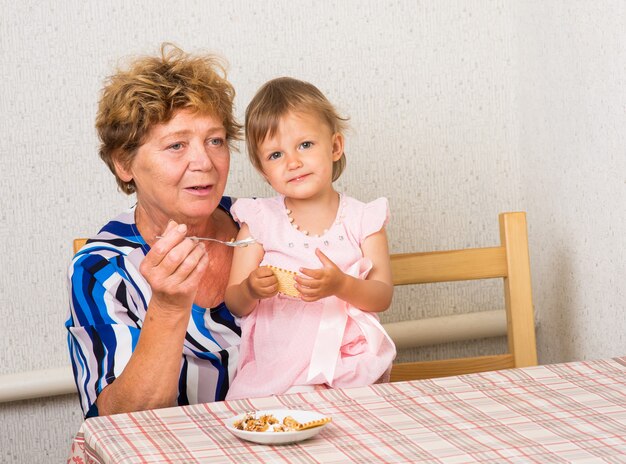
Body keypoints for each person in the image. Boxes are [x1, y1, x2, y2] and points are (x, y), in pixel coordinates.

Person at [65, 44, 243, 418]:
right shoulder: (102, 267)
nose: (205, 162)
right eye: (176, 145)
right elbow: (118, 419)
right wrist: (167, 308)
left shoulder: (264, 224)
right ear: (124, 163)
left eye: (216, 140)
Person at [225, 77, 396, 400]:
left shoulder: (363, 219)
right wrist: (250, 289)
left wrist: (341, 286)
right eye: (275, 155)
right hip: (275, 368)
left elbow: (382, 295)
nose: (293, 162)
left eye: (305, 145)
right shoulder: (258, 222)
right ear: (263, 170)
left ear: (334, 147)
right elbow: (235, 302)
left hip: (348, 367)